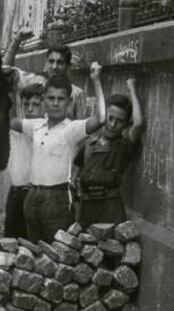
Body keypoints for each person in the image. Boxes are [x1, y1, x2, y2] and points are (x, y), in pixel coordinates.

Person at [10, 62, 106, 243]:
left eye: (60, 99)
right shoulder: (35, 125)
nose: (55, 103)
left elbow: (101, 118)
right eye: (51, 98)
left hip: (58, 200)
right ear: (44, 100)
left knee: (58, 254)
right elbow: (9, 121)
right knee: (34, 254)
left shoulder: (72, 129)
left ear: (69, 102)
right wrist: (5, 86)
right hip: (31, 197)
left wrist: (96, 80)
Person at [74, 77, 143, 228]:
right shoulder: (89, 144)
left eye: (119, 121)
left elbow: (138, 124)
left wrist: (131, 88)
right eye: (110, 118)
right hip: (87, 208)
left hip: (110, 208)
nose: (112, 124)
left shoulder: (123, 146)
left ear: (125, 124)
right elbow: (77, 176)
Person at [2, 28, 45, 238]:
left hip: (39, 194)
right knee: (10, 246)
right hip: (16, 193)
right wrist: (16, 40)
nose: (30, 108)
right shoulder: (17, 125)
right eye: (26, 103)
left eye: (36, 104)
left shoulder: (47, 127)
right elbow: (4, 71)